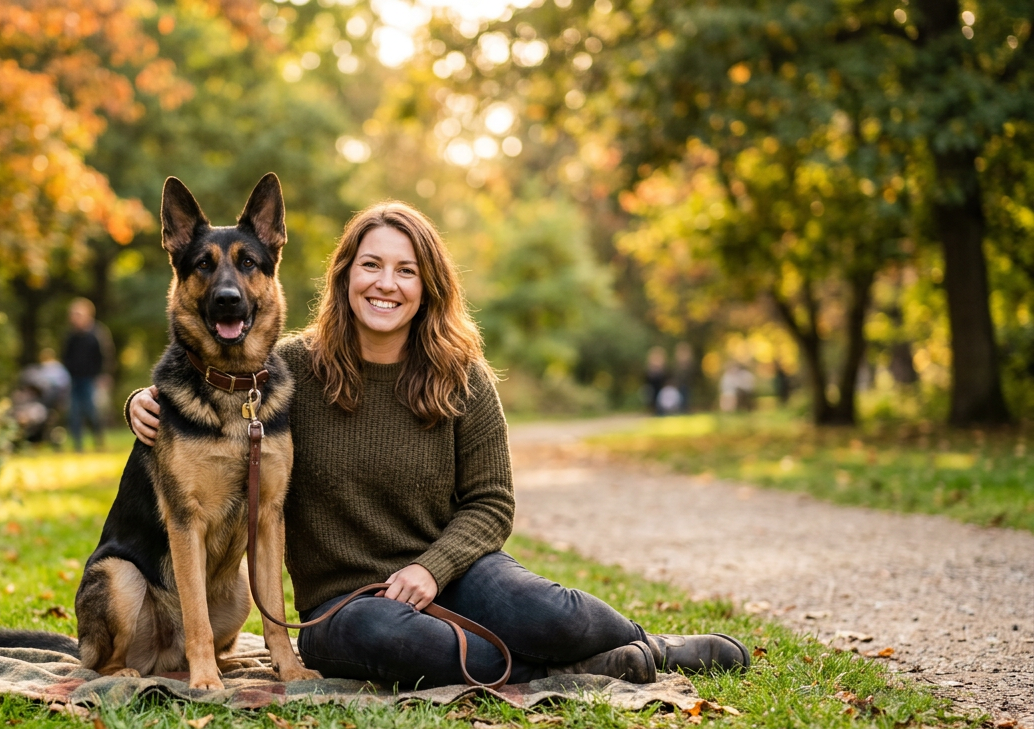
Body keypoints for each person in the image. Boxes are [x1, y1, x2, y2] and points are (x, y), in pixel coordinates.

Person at [126, 202, 748, 688]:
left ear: (428, 285)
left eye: (405, 270)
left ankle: (651, 648)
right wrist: (142, 402)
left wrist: (432, 569)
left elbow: (493, 504)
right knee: (392, 642)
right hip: (345, 605)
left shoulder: (461, 372)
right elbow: (212, 385)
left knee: (549, 612)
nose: (386, 284)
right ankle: (560, 673)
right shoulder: (288, 370)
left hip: (454, 572)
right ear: (345, 276)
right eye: (371, 265)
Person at [62, 298, 112, 451]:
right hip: (75, 380)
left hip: (92, 380)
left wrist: (104, 375)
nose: (74, 317)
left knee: (93, 413)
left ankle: (99, 442)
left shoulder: (97, 333)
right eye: (73, 314)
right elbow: (65, 356)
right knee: (74, 414)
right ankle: (78, 446)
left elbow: (106, 356)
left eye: (77, 314)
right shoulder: (70, 336)